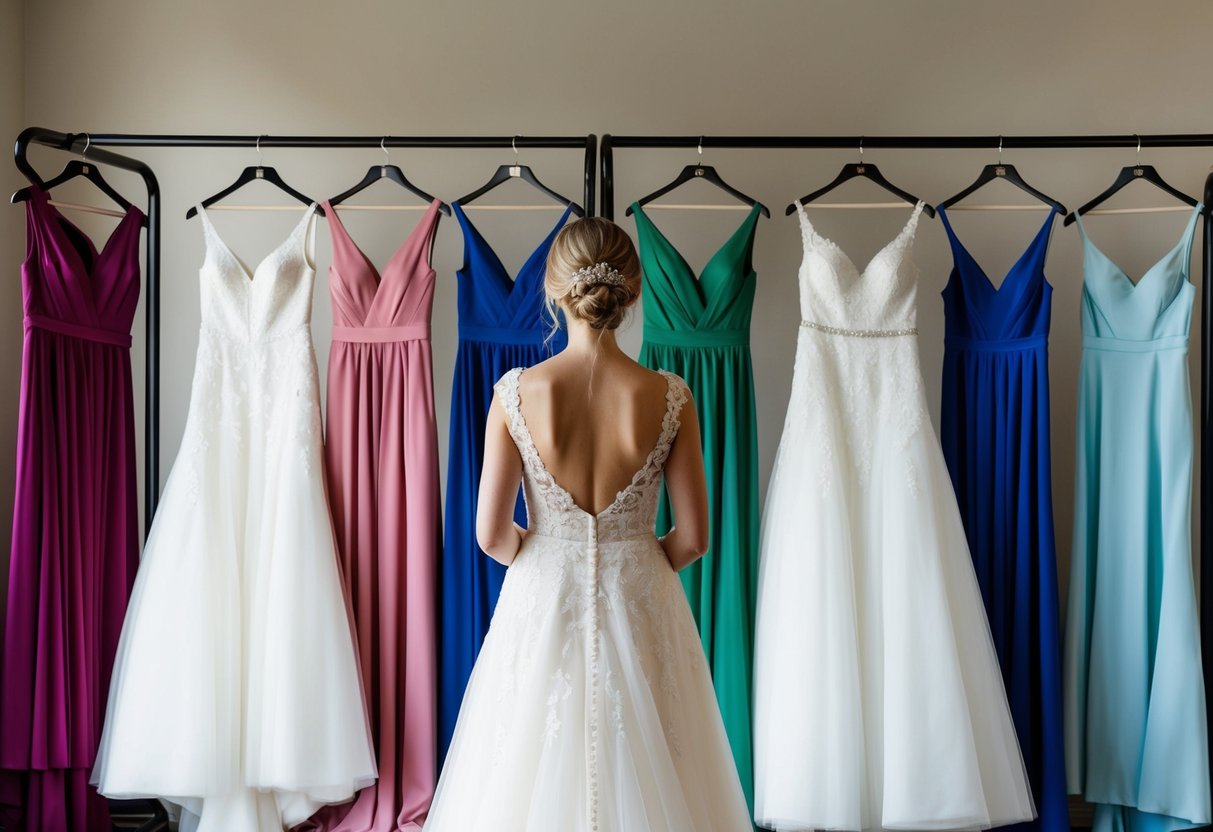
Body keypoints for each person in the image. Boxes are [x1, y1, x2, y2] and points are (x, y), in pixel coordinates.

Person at [424, 217, 752, 831]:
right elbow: (694, 538)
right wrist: (634, 557)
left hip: (543, 591)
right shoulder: (671, 396)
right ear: (633, 292)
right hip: (641, 592)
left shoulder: (515, 394)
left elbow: (491, 535)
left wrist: (548, 549)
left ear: (555, 290)